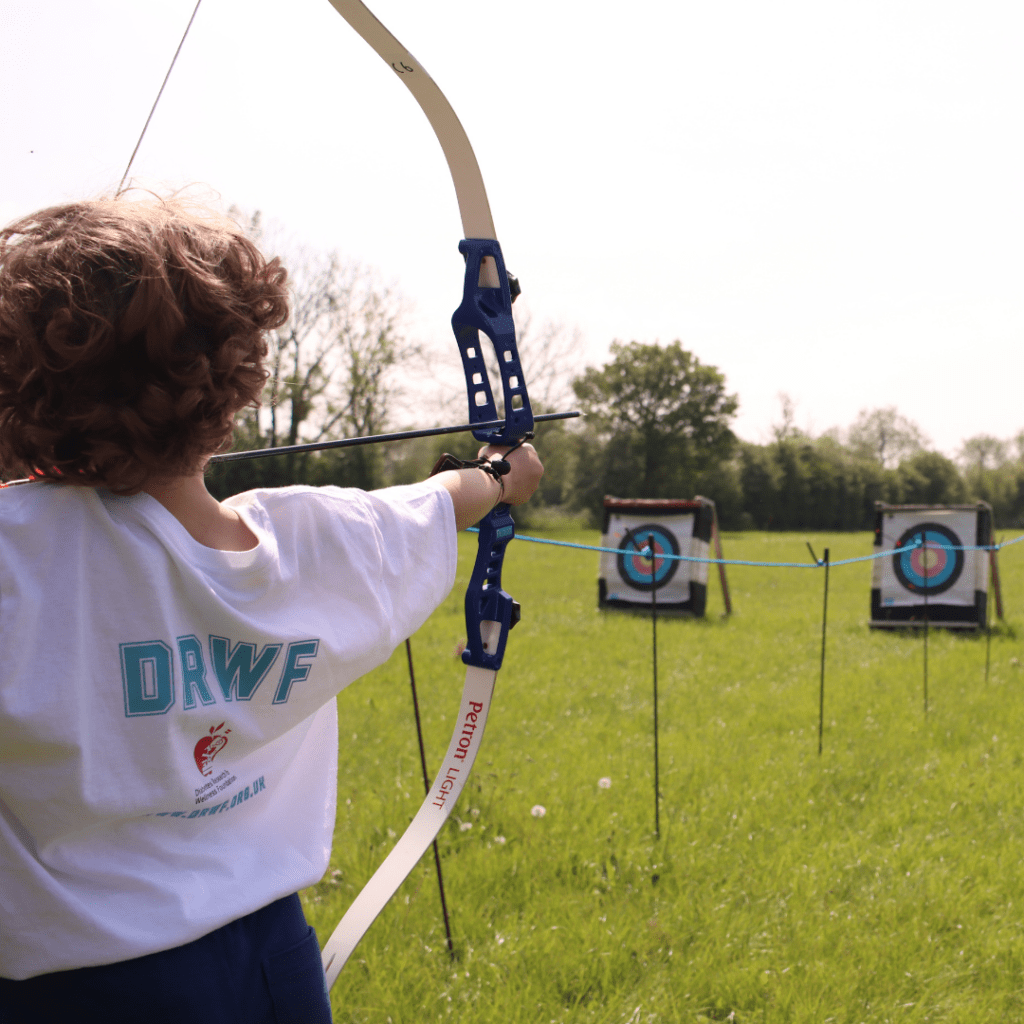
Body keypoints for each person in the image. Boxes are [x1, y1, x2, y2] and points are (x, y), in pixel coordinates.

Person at [0, 196, 542, 1023]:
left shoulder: (16, 552)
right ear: (236, 380)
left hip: (69, 985)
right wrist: (502, 473)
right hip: (270, 969)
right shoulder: (319, 540)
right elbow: (452, 496)